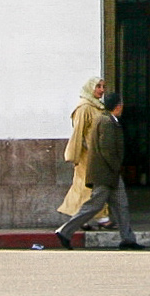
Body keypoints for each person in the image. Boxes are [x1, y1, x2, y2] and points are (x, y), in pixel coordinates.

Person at [54, 91, 134, 249]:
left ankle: (128, 239)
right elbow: (107, 150)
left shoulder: (108, 120)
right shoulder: (106, 122)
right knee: (93, 206)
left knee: (121, 205)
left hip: (110, 173)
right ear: (118, 106)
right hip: (106, 173)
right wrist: (116, 167)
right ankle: (64, 232)